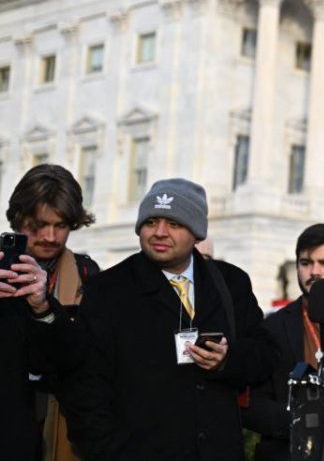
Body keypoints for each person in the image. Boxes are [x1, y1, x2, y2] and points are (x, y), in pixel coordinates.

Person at [66, 178, 275, 460]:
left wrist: (228, 360)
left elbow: (265, 356)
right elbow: (86, 390)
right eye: (151, 222)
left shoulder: (231, 282)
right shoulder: (107, 291)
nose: (160, 233)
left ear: (197, 233)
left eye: (174, 224)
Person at [243, 223, 324, 461]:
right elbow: (253, 403)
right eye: (306, 263)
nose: (314, 271)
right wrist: (306, 421)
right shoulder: (272, 327)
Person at [4, 164, 100, 460]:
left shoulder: (87, 273)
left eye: (60, 226)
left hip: (64, 428)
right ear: (19, 219)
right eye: (39, 224)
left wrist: (44, 308)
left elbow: (87, 359)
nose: (50, 236)